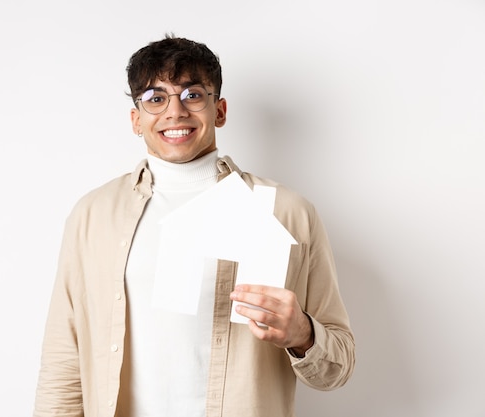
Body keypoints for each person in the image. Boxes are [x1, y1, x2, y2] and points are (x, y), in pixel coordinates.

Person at [33, 35, 355, 417]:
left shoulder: (286, 212)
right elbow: (64, 357)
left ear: (219, 111)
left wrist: (302, 333)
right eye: (156, 98)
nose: (175, 112)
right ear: (136, 119)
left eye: (192, 95)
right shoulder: (93, 214)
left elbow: (338, 368)